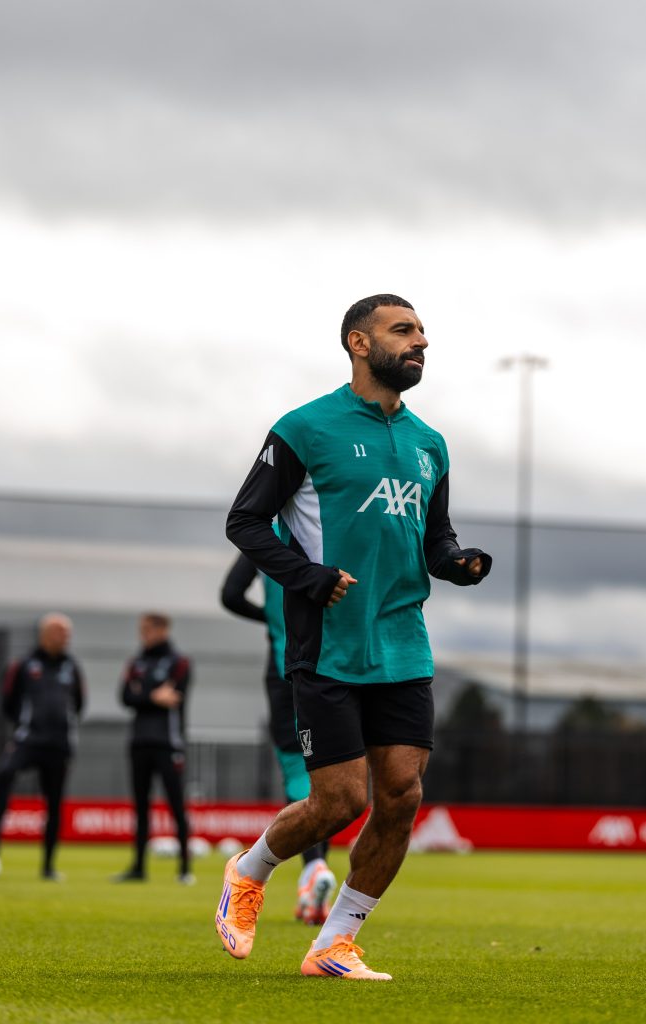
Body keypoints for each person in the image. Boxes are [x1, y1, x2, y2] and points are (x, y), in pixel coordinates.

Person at [215, 293, 492, 980]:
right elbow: (245, 523)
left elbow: (435, 539)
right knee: (339, 802)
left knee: (401, 796)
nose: (419, 342)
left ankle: (334, 943)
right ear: (358, 343)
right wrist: (304, 576)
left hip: (402, 640)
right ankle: (248, 873)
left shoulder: (430, 443)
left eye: (423, 331)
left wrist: (455, 562)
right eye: (403, 331)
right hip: (327, 645)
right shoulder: (304, 429)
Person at [220, 546, 336, 925]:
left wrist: (271, 618)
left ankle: (312, 871)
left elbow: (230, 595)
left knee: (296, 771)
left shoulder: (265, 537)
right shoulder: (329, 527)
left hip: (284, 666)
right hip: (331, 664)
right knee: (330, 772)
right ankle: (315, 875)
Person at [0, 612, 85, 880]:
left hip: (58, 745)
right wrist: (26, 725)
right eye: (61, 632)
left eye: (67, 634)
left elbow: (80, 703)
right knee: (4, 773)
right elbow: (8, 702)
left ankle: (48, 865)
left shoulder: (72, 666)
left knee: (55, 803)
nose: (65, 638)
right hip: (29, 739)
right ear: (46, 634)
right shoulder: (24, 664)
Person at [114, 612, 194, 885]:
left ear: (162, 629)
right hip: (139, 742)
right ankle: (138, 867)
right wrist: (152, 695)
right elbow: (125, 696)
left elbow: (174, 696)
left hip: (168, 743)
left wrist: (142, 694)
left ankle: (184, 868)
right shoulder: (136, 661)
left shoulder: (179, 661)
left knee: (176, 805)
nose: (143, 634)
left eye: (147, 629)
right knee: (140, 807)